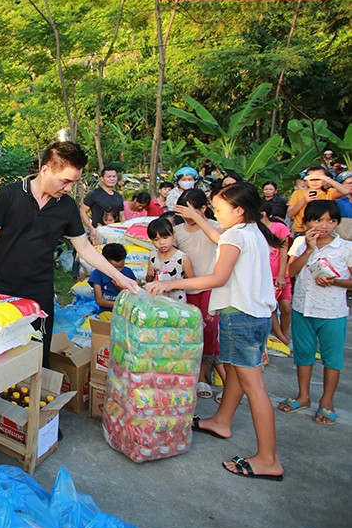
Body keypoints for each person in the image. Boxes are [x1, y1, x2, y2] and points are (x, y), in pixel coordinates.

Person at [148, 182, 284, 481]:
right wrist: (197, 218)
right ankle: (221, 421)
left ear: (238, 210)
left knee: (254, 386)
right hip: (257, 315)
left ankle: (268, 458)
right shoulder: (251, 230)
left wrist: (171, 283)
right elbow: (222, 239)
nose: (217, 215)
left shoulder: (237, 234)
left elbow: (218, 278)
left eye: (220, 210)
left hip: (241, 317)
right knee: (235, 373)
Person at [0, 141, 140, 367]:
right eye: (65, 181)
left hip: (40, 291)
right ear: (45, 170)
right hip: (2, 288)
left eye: (74, 182)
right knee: (2, 352)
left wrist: (118, 276)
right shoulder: (9, 195)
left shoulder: (66, 207)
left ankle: (35, 399)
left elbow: (84, 248)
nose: (69, 188)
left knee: (38, 353)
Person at [278, 200, 351, 426]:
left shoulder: (346, 247)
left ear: (337, 223)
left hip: (332, 312)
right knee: (303, 354)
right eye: (317, 220)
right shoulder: (300, 243)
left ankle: (327, 401)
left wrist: (335, 282)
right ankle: (303, 396)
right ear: (307, 222)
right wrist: (309, 249)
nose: (324, 225)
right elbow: (290, 271)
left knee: (332, 359)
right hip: (303, 307)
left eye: (331, 221)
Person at [173, 189, 226, 398]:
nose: (187, 216)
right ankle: (197, 378)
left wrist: (199, 219)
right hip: (185, 290)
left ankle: (205, 376)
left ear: (203, 209)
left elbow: (221, 242)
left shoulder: (215, 228)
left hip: (210, 288)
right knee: (190, 334)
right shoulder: (177, 231)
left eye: (191, 211)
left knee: (210, 332)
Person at [260, 201, 292, 348]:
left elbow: (284, 251)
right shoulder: (256, 229)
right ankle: (281, 337)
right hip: (264, 277)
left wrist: (281, 274)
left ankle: (284, 333)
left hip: (279, 275)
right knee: (270, 307)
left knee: (286, 307)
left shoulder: (279, 228)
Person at [145, 217, 194, 303]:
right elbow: (149, 280)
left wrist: (173, 284)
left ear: (173, 235)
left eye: (165, 237)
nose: (162, 243)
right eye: (156, 240)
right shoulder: (153, 256)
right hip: (158, 302)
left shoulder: (182, 258)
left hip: (177, 303)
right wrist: (149, 275)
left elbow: (193, 282)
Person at [287, 166, 341, 236]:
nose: (315, 182)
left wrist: (326, 178)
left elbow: (345, 191)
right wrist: (304, 200)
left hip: (324, 230)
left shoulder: (329, 192)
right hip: (301, 231)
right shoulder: (298, 193)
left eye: (318, 179)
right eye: (311, 179)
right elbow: (290, 214)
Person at [88, 243, 138, 311]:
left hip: (125, 312)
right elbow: (99, 301)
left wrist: (120, 288)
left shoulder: (128, 272)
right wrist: (120, 305)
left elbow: (134, 295)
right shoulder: (97, 274)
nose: (116, 271)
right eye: (113, 267)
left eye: (120, 267)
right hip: (106, 311)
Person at [81, 167, 124, 238]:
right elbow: (83, 211)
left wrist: (124, 229)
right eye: (109, 176)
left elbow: (122, 216)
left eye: (114, 176)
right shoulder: (94, 194)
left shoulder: (118, 196)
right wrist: (91, 228)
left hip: (116, 234)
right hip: (99, 234)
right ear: (102, 178)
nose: (112, 179)